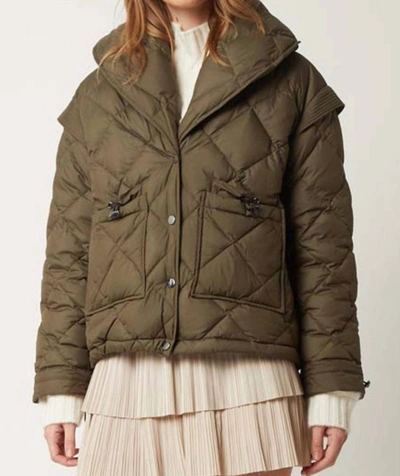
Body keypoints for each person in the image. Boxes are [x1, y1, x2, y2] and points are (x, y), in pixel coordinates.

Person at [32, 1, 370, 475]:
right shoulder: (97, 95)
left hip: (250, 384)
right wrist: (62, 387)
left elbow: (323, 248)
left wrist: (332, 388)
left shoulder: (292, 82)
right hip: (128, 388)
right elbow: (71, 253)